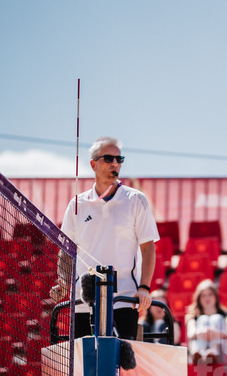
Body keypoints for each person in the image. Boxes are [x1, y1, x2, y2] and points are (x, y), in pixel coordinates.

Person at [52, 136, 158, 339]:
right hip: (83, 301)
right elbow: (66, 250)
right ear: (93, 164)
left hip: (123, 299)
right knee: (85, 359)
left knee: (119, 358)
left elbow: (148, 247)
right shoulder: (77, 204)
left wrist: (144, 287)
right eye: (108, 158)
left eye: (119, 159)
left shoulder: (136, 200)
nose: (115, 164)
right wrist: (64, 282)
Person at [185, 279, 227, 368]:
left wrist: (217, 333)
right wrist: (203, 332)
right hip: (200, 352)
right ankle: (200, 354)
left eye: (210, 294)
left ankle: (214, 351)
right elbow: (190, 333)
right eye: (203, 295)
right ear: (199, 298)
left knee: (216, 318)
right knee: (203, 319)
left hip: (224, 355)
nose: (207, 298)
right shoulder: (193, 317)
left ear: (215, 296)